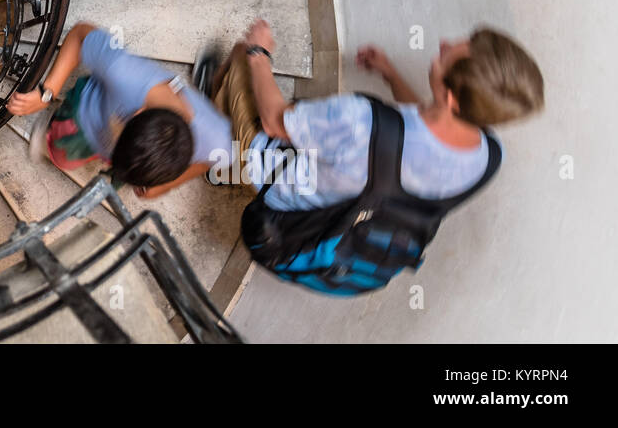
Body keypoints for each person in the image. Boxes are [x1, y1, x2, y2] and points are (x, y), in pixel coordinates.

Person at [203, 18, 542, 290]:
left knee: (239, 59)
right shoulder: (489, 157)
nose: (444, 44)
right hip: (339, 233)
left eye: (450, 52)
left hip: (280, 196)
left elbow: (276, 121)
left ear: (451, 99)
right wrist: (390, 73)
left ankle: (215, 139)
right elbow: (422, 128)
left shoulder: (359, 120)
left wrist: (259, 52)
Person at [5, 22, 234, 198]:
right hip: (86, 115)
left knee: (98, 165)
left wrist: (166, 186)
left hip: (123, 150)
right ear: (135, 113)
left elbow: (207, 161)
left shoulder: (220, 141)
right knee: (62, 153)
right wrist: (48, 91)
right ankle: (50, 131)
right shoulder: (123, 73)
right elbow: (79, 34)